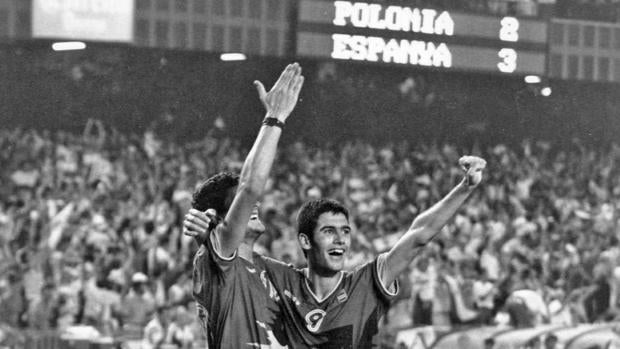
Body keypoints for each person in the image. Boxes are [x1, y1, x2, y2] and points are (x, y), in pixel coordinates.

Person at [187, 151, 486, 348]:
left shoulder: (365, 285)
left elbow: (419, 235)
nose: (341, 240)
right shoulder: (278, 278)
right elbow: (230, 260)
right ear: (305, 241)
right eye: (329, 232)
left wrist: (465, 188)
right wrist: (208, 236)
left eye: (345, 232)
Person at [186, 63, 304, 348]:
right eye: (237, 201)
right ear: (217, 218)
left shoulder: (270, 269)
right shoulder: (219, 257)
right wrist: (274, 117)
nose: (254, 204)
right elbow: (251, 187)